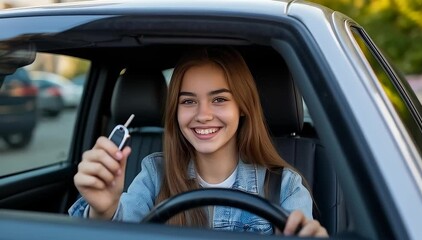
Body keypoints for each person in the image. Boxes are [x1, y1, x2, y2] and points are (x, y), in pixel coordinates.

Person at [69, 46, 328, 237]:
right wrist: (103, 212)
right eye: (188, 101)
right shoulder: (154, 174)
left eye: (219, 99)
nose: (203, 115)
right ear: (176, 111)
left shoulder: (285, 187)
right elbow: (121, 229)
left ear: (242, 107)